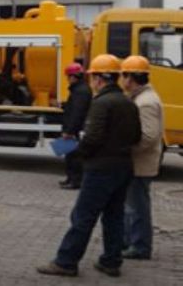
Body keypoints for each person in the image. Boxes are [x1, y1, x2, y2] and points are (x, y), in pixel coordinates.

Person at [37, 54, 141, 278]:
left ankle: (66, 262)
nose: (91, 81)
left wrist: (77, 152)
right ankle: (111, 262)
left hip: (101, 170)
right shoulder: (128, 102)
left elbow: (92, 138)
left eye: (92, 77)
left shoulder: (102, 103)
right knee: (114, 217)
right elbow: (136, 136)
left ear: (98, 79)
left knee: (83, 216)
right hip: (123, 167)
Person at [121, 55, 163, 260]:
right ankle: (132, 242)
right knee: (134, 206)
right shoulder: (142, 98)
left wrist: (125, 151)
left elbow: (148, 137)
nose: (122, 81)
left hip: (140, 164)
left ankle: (140, 246)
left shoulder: (145, 103)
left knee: (137, 207)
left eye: (123, 76)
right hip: (139, 164)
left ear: (131, 78)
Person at [59, 62, 92, 190]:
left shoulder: (81, 91)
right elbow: (74, 107)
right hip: (74, 129)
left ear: (73, 77)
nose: (68, 79)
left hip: (75, 130)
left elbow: (77, 113)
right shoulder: (80, 89)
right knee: (69, 155)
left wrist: (70, 131)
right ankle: (70, 179)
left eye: (68, 77)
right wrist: (64, 105)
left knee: (75, 157)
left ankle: (75, 181)